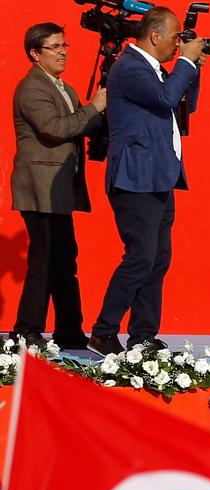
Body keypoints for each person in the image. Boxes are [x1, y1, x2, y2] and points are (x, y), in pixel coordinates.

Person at [88, 7, 204, 356]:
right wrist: (186, 63)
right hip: (135, 177)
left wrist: (193, 67)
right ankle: (103, 332)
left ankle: (142, 335)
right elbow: (166, 97)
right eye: (174, 38)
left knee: (157, 259)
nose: (177, 45)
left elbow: (185, 106)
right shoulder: (131, 67)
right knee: (140, 257)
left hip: (158, 177)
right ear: (155, 36)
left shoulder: (156, 70)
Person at [10, 23, 106, 350]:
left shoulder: (64, 87)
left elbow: (78, 124)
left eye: (64, 45)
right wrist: (94, 108)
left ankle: (68, 330)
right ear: (36, 54)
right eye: (54, 47)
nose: (63, 51)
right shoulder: (32, 88)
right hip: (40, 187)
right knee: (46, 259)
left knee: (65, 259)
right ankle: (26, 330)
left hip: (58, 188)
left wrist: (97, 118)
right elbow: (53, 129)